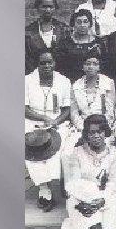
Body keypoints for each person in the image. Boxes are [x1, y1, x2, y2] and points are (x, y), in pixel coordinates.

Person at [60, 115, 116, 229]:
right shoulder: (76, 153)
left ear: (106, 132)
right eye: (91, 132)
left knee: (113, 206)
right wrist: (89, 200)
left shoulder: (115, 153)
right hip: (81, 196)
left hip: (107, 196)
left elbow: (114, 182)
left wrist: (102, 200)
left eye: (100, 132)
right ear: (86, 134)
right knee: (86, 211)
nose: (96, 136)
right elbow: (72, 183)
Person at [25, 50, 72, 211]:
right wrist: (42, 118)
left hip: (57, 122)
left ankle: (57, 183)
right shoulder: (27, 81)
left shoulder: (64, 81)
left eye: (49, 62)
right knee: (31, 148)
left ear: (54, 63)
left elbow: (67, 109)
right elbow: (23, 108)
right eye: (42, 63)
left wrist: (55, 121)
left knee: (58, 148)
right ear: (37, 65)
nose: (46, 66)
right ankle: (44, 190)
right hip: (32, 121)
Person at [69, 53, 116, 146]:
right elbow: (74, 112)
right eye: (87, 64)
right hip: (82, 126)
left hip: (104, 126)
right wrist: (83, 128)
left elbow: (110, 111)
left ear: (99, 67)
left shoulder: (108, 83)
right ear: (83, 67)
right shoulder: (76, 86)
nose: (91, 67)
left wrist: (100, 128)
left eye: (95, 64)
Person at [25, 0, 70, 74]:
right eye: (44, 7)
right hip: (35, 74)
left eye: (50, 7)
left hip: (60, 74)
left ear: (55, 8)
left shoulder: (64, 29)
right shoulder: (28, 32)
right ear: (38, 8)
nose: (47, 10)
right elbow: (27, 59)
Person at [55, 8, 105, 81]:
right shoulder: (66, 43)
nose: (82, 25)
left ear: (90, 24)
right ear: (73, 24)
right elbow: (60, 66)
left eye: (85, 22)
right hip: (71, 80)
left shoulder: (98, 43)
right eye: (79, 22)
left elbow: (103, 65)